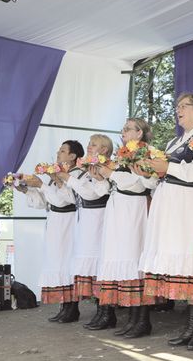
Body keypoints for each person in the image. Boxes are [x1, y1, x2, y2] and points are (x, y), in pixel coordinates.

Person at [139, 93, 193, 350]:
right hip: (177, 209)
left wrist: (168, 168)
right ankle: (191, 327)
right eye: (177, 106)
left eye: (184, 106)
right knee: (188, 270)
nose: (178, 110)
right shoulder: (175, 141)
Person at [93, 118, 157, 338]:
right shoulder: (123, 154)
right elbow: (115, 184)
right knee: (122, 257)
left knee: (134, 258)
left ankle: (143, 320)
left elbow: (142, 183)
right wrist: (102, 176)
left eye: (128, 129)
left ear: (140, 133)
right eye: (123, 129)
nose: (124, 132)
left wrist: (112, 174)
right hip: (119, 207)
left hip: (135, 207)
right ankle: (132, 319)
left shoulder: (148, 152)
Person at [17, 140, 84, 322]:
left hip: (68, 222)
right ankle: (64, 305)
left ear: (72, 156)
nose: (58, 153)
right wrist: (26, 190)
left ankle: (72, 307)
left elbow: (65, 200)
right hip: (55, 222)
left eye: (62, 151)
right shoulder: (56, 176)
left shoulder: (76, 174)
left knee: (66, 262)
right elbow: (44, 202)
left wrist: (43, 184)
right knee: (56, 262)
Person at [57, 134, 113, 328]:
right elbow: (77, 197)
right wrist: (62, 181)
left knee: (99, 264)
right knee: (91, 266)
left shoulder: (104, 167)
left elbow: (95, 192)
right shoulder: (86, 169)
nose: (89, 147)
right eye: (89, 144)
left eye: (94, 144)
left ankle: (107, 312)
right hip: (86, 218)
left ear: (104, 149)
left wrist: (68, 179)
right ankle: (100, 310)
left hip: (99, 217)